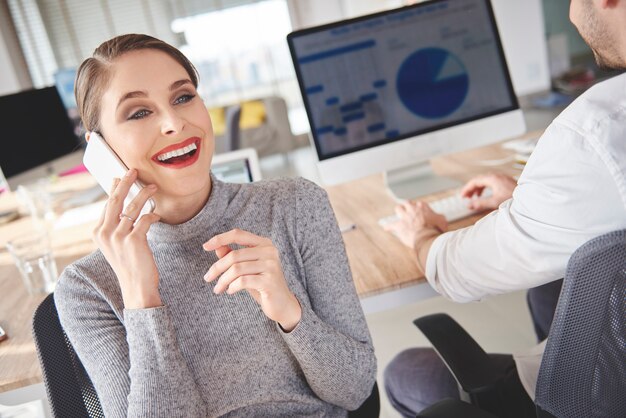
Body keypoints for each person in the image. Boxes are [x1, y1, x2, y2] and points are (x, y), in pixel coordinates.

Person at [54, 34, 376, 417]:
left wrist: (290, 312)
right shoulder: (87, 286)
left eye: (183, 97)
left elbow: (355, 391)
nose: (175, 123)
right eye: (139, 112)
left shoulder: (294, 205)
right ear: (99, 148)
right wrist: (141, 297)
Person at [382, 0, 626, 415]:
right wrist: (529, 200)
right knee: (546, 292)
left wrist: (422, 233)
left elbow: (456, 273)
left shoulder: (595, 133)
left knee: (404, 372)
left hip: (605, 398)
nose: (569, 13)